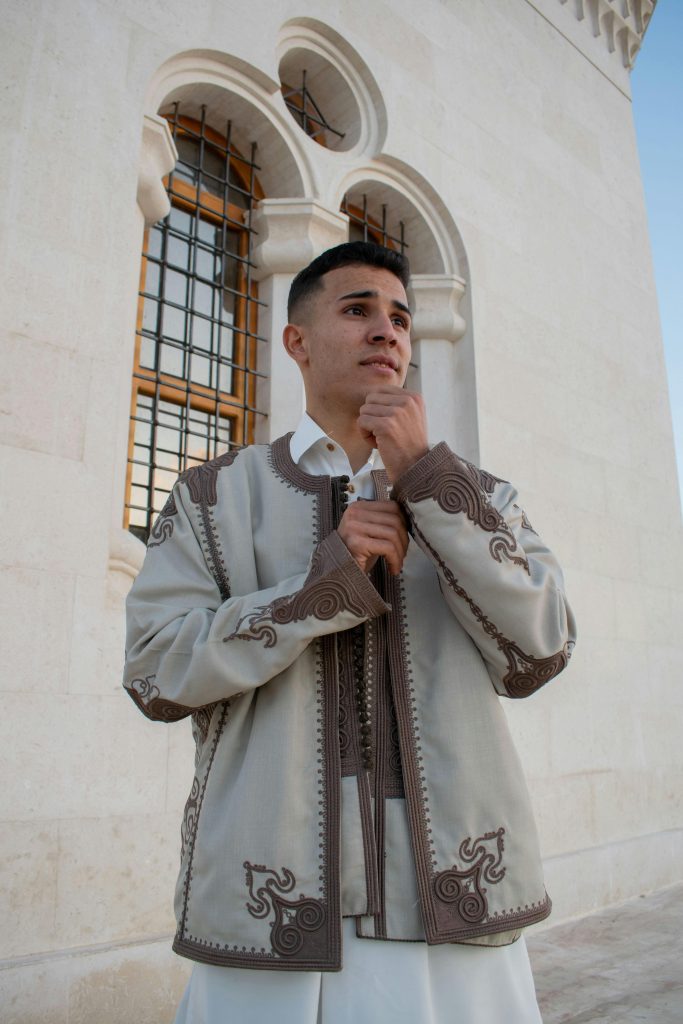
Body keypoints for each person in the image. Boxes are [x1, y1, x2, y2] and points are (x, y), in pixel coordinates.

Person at [124, 241, 576, 1022]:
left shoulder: (478, 495)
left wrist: (432, 484)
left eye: (399, 317)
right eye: (357, 309)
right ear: (296, 340)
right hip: (272, 898)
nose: (386, 331)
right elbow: (154, 672)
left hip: (447, 909)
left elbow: (543, 646)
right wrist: (318, 587)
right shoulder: (213, 497)